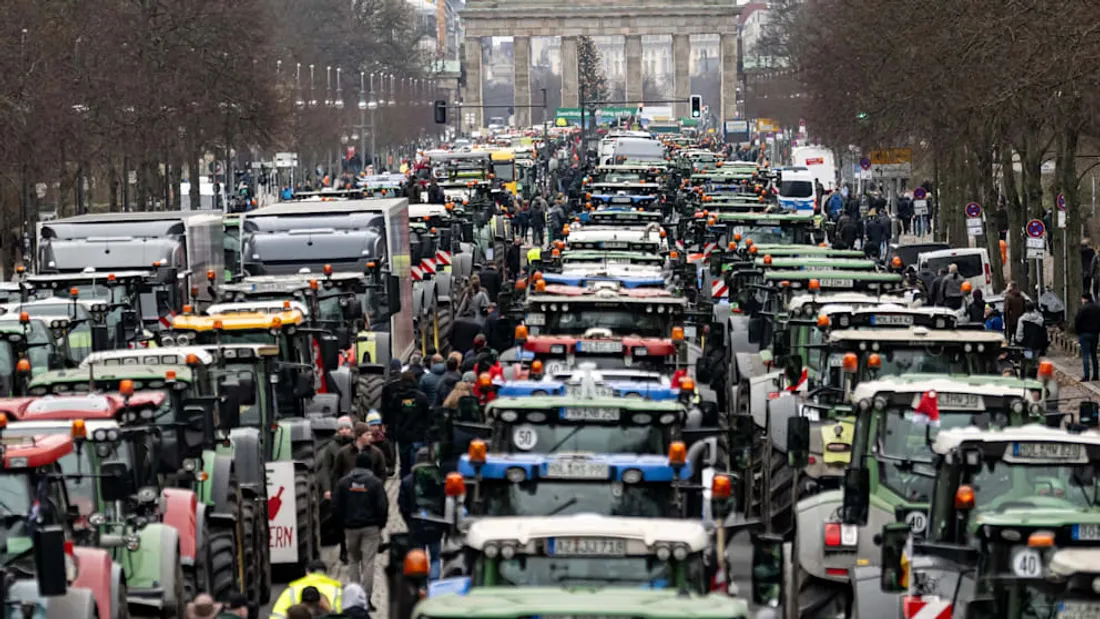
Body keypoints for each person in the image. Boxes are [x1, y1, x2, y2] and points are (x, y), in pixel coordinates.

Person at [333, 451, 388, 604]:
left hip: (350, 528)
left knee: (353, 561)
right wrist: (380, 525)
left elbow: (336, 506)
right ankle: (366, 598)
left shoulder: (344, 483)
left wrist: (341, 526)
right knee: (368, 563)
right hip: (371, 528)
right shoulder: (375, 483)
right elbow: (383, 506)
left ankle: (355, 598)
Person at [399, 448, 445, 580]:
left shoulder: (408, 480)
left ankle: (422, 584)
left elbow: (403, 504)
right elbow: (445, 501)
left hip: (416, 524)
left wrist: (409, 521)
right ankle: (434, 583)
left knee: (418, 558)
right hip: (436, 524)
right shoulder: (439, 479)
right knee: (435, 558)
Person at [389, 371, 433, 478]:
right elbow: (427, 416)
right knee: (418, 463)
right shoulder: (421, 397)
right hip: (418, 435)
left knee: (404, 464)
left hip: (403, 436)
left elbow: (392, 416)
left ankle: (405, 483)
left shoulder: (396, 398)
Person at [270, 561, 344, 619]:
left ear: (307, 572)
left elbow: (276, 616)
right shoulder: (337, 591)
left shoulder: (290, 591)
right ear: (325, 573)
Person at [1075, 293, 1100, 381]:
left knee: (1085, 355)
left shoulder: (1082, 309)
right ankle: (1096, 375)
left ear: (1084, 299)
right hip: (1095, 334)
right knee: (1094, 355)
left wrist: (1078, 332)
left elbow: (1077, 321)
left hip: (1084, 333)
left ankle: (1086, 375)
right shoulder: (1097, 308)